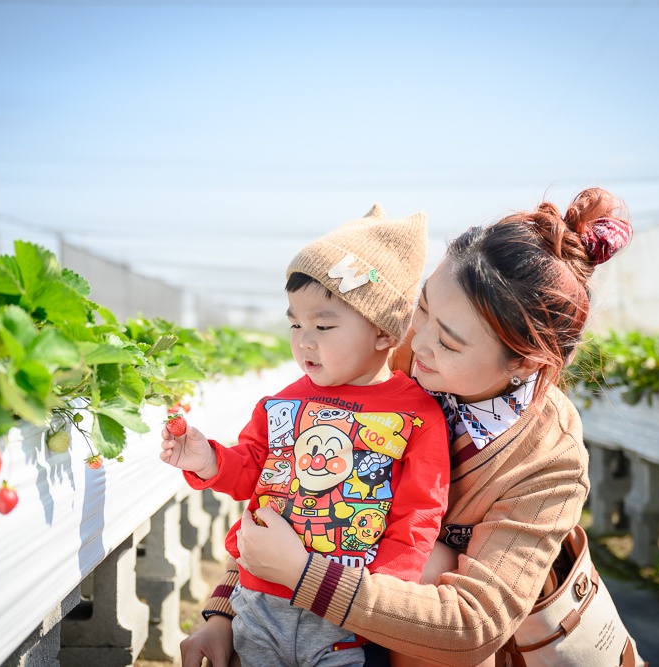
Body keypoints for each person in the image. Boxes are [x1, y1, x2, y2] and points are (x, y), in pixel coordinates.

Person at [180, 187, 636, 667]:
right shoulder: (381, 359)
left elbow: (472, 623)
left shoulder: (550, 461)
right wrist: (223, 613)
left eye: (451, 342)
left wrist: (304, 574)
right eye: (423, 309)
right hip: (331, 620)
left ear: (522, 363)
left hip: (447, 651)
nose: (419, 343)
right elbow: (294, 490)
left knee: (432, 565)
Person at [161, 205, 451, 667]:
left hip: (343, 609)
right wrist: (208, 462)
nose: (304, 341)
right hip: (260, 604)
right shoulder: (283, 403)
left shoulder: (417, 414)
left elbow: (418, 514)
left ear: (383, 331)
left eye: (324, 325)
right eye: (295, 323)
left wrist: (384, 596)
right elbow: (251, 468)